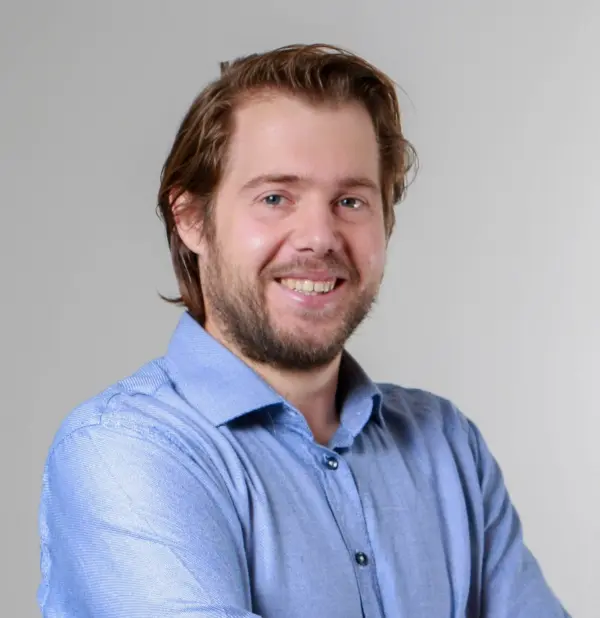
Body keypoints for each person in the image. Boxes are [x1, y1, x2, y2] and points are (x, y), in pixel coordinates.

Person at [37, 43, 570, 617]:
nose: (319, 236)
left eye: (350, 201)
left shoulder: (446, 445)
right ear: (190, 219)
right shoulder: (124, 449)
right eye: (275, 197)